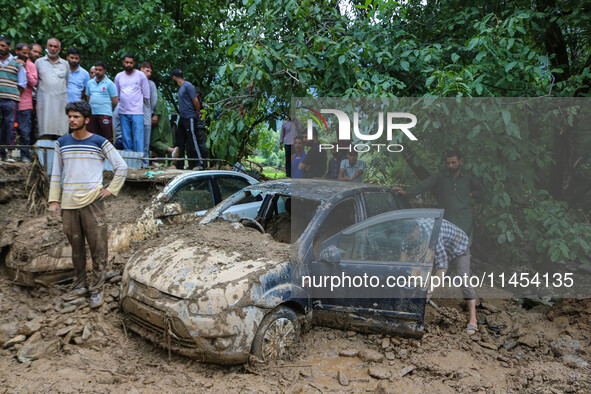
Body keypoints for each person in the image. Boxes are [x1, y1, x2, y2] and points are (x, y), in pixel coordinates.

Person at [48, 101, 127, 308]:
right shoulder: (61, 143)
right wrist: (54, 201)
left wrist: (110, 189)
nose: (72, 120)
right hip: (69, 204)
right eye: (70, 116)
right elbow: (56, 174)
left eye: (76, 117)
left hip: (93, 203)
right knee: (76, 248)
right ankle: (79, 284)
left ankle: (97, 288)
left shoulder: (100, 142)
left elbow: (121, 166)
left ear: (86, 120)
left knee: (98, 247)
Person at [395, 149, 483, 240]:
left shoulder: (467, 178)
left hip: (464, 221)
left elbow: (482, 190)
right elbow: (425, 184)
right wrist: (407, 193)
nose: (450, 166)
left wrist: (472, 194)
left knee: (463, 249)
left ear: (460, 162)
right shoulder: (441, 177)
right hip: (446, 220)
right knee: (446, 247)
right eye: (448, 163)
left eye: (453, 163)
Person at [408, 218, 477, 334]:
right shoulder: (407, 231)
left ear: (417, 229)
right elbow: (405, 254)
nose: (410, 239)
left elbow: (442, 267)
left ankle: (473, 319)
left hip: (458, 247)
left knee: (463, 279)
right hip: (436, 244)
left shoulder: (434, 233)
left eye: (412, 237)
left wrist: (429, 292)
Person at [171, 69, 207, 169]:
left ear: (174, 77)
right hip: (182, 117)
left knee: (193, 140)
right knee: (180, 141)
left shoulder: (188, 85)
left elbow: (195, 101)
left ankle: (200, 163)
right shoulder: (181, 88)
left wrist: (198, 112)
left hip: (190, 117)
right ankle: (180, 164)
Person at [114, 53, 149, 153]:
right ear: (123, 63)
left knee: (138, 139)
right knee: (126, 139)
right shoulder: (118, 76)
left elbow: (146, 95)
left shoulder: (141, 75)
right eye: (127, 62)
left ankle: (140, 162)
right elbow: (117, 95)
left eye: (131, 62)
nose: (128, 64)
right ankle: (130, 163)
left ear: (134, 63)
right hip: (123, 111)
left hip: (137, 112)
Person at [0, 37, 27, 162]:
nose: (1, 48)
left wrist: (13, 94)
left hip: (11, 100)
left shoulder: (18, 63)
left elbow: (22, 84)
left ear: (9, 47)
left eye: (3, 45)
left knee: (10, 126)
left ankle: (9, 153)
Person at [35, 37, 69, 138]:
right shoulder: (39, 62)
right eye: (50, 46)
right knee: (44, 130)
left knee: (61, 130)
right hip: (44, 101)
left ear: (59, 49)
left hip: (60, 101)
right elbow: (35, 82)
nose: (52, 49)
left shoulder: (65, 64)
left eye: (55, 46)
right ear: (46, 47)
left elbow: (66, 82)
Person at [14, 43, 37, 162]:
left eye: (28, 53)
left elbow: (33, 83)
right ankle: (7, 153)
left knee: (25, 130)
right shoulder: (11, 62)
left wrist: (26, 68)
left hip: (26, 103)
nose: (26, 55)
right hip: (11, 101)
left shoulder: (31, 65)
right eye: (24, 53)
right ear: (16, 51)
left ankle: (24, 154)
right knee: (9, 128)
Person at [85, 61, 117, 142]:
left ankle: (108, 154)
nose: (97, 72)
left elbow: (115, 101)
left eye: (100, 70)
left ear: (104, 71)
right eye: (96, 69)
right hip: (92, 113)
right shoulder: (89, 83)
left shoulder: (110, 83)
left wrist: (108, 109)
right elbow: (88, 98)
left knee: (107, 138)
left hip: (105, 114)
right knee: (91, 136)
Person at [149, 90, 177, 160]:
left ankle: (171, 150)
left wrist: (156, 114)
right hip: (160, 120)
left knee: (153, 142)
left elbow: (159, 100)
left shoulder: (152, 90)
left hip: (159, 121)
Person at [140, 62, 157, 166]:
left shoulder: (151, 84)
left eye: (151, 71)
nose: (149, 73)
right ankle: (135, 162)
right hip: (133, 114)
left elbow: (153, 101)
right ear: (141, 69)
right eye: (147, 70)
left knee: (146, 141)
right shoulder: (134, 81)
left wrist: (151, 112)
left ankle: (145, 163)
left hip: (146, 115)